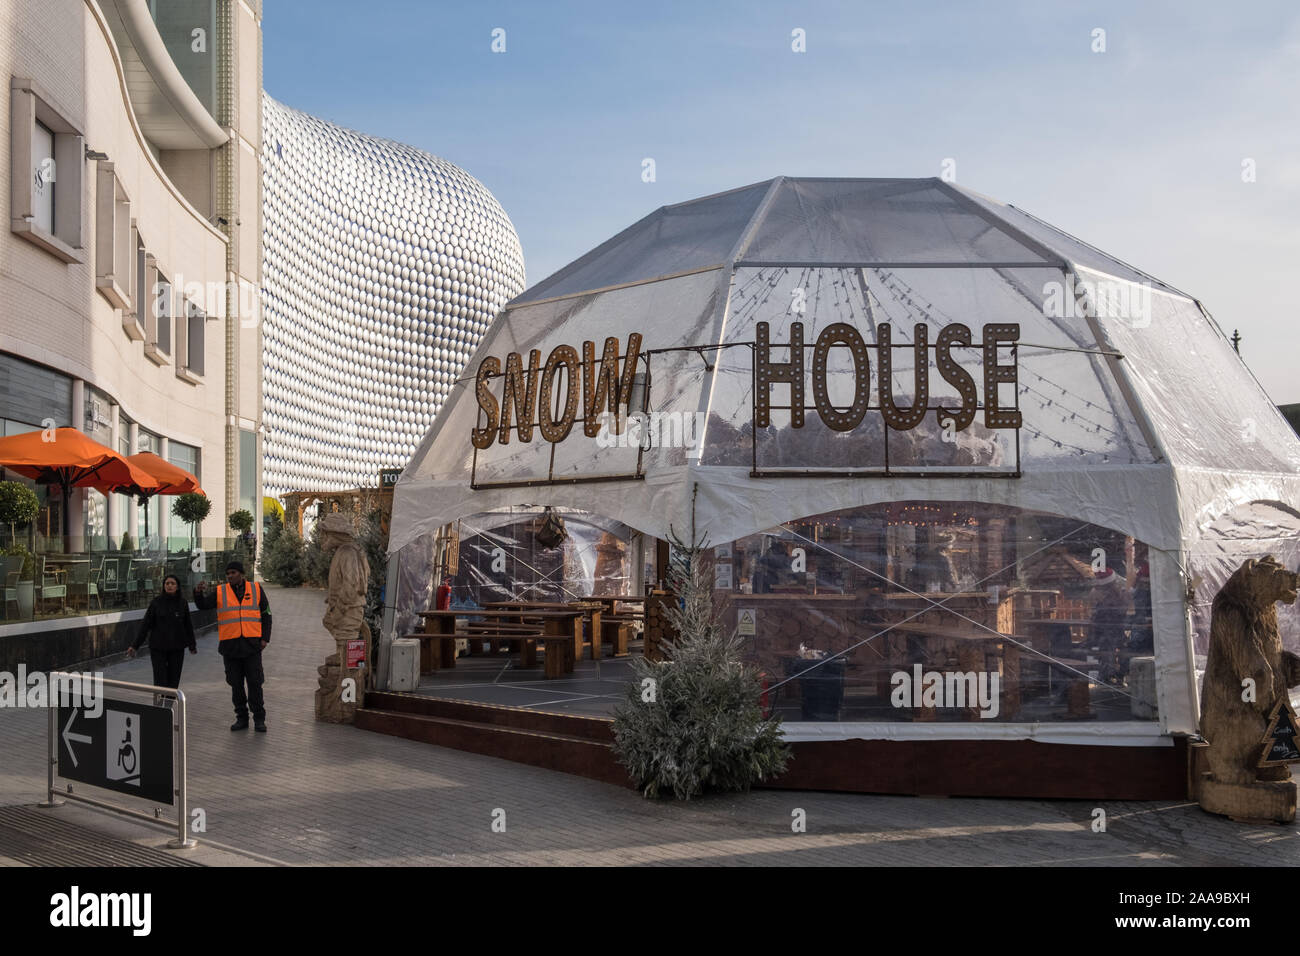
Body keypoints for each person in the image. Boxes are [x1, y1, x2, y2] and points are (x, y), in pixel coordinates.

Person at [194, 560, 272, 732]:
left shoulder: (256, 589)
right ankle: (241, 718)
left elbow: (266, 614)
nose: (230, 576)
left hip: (251, 646)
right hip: (230, 647)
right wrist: (198, 593)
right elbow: (204, 605)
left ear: (241, 574)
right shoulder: (221, 591)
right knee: (236, 685)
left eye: (233, 573)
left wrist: (265, 638)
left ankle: (259, 719)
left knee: (255, 683)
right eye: (228, 573)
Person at [127, 574, 198, 693]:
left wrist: (192, 645)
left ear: (177, 587)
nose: (169, 586)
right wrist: (135, 646)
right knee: (160, 680)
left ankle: (169, 707)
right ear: (164, 586)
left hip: (177, 648)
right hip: (158, 648)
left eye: (172, 583)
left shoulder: (183, 603)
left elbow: (188, 625)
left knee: (173, 680)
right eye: (167, 583)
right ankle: (159, 707)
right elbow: (145, 625)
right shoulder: (156, 603)